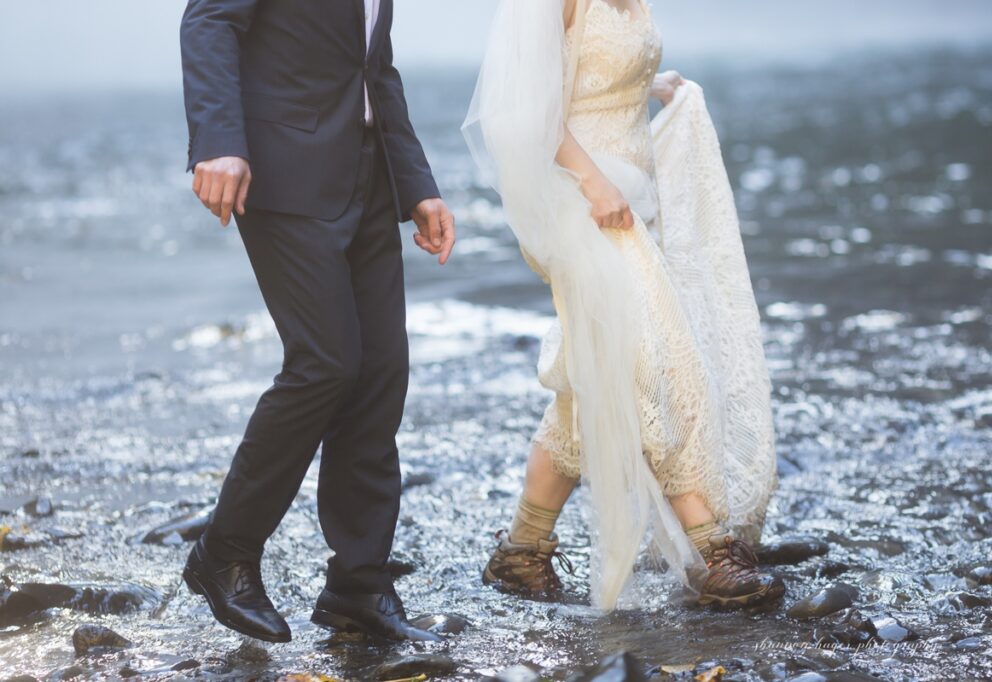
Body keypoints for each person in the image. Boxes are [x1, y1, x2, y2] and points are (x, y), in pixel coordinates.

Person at [464, 0, 784, 610]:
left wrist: (650, 83)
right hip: (581, 204)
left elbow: (595, 72)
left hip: (630, 196)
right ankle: (710, 548)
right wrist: (593, 183)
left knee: (596, 373)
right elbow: (531, 111)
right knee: (658, 355)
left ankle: (522, 552)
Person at [178, 0, 455, 643]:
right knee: (325, 364)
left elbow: (374, 68)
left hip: (369, 174)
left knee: (381, 372)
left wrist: (418, 186)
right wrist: (218, 141)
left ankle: (359, 584)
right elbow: (210, 20)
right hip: (281, 168)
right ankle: (225, 552)